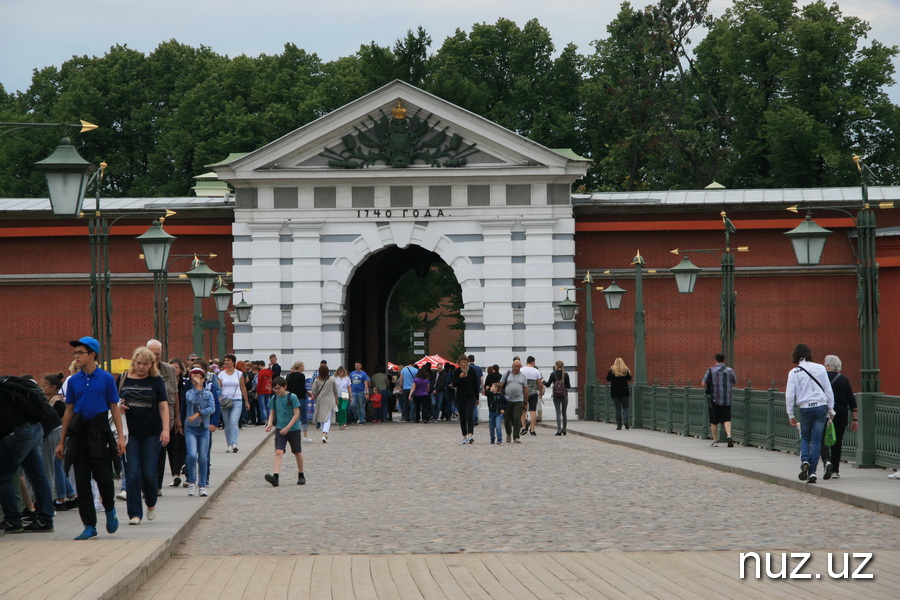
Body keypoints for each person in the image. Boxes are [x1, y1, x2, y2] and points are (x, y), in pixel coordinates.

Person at [56, 336, 126, 540]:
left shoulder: (106, 379)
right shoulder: (74, 380)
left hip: (100, 431)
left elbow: (114, 406)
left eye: (80, 353)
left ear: (92, 355)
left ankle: (110, 509)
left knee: (104, 477)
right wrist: (62, 441)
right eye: (75, 353)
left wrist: (120, 437)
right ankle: (89, 525)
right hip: (79, 433)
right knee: (82, 480)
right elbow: (69, 410)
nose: (76, 356)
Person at [118, 346, 170, 525]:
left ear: (151, 365)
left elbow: (163, 406)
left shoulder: (156, 381)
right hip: (129, 433)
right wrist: (118, 408)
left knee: (149, 473)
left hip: (151, 432)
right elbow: (113, 403)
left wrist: (166, 429)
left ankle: (151, 502)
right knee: (132, 474)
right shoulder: (124, 378)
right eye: (138, 363)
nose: (140, 367)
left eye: (145, 364)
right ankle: (134, 513)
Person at [0, 376, 55, 533]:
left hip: (16, 434)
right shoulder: (7, 385)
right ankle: (45, 519)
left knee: (2, 477)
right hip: (34, 428)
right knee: (37, 476)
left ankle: (12, 520)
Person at [785, 344, 835, 484]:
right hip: (821, 407)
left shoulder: (794, 372)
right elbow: (828, 390)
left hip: (805, 408)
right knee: (818, 439)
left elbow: (790, 395)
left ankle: (805, 461)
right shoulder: (820, 368)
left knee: (806, 437)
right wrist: (831, 409)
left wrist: (791, 414)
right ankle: (813, 472)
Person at [147, 339, 180, 494]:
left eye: (158, 354)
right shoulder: (138, 370)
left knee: (160, 452)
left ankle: (157, 486)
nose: (155, 357)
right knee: (146, 453)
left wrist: (178, 418)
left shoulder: (169, 370)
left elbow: (175, 395)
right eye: (152, 353)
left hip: (165, 418)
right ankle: (147, 483)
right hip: (145, 419)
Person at [40, 373, 76, 511]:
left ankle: (61, 498)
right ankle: (71, 494)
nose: (42, 388)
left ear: (54, 387)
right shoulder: (53, 399)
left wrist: (61, 427)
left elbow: (64, 415)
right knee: (57, 466)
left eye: (44, 386)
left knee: (56, 466)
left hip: (56, 434)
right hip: (58, 434)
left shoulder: (57, 401)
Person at [821, 355, 858, 480]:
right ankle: (835, 470)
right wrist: (855, 419)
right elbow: (852, 401)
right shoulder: (844, 380)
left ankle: (827, 462)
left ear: (827, 366)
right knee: (837, 442)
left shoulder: (822, 379)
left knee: (822, 440)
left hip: (824, 413)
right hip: (841, 414)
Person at [264, 376, 306, 486]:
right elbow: (272, 412)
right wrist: (269, 424)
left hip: (293, 429)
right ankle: (275, 477)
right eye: (275, 389)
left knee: (297, 452)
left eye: (278, 388)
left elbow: (297, 414)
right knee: (278, 451)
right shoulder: (275, 398)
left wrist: (288, 427)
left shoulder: (292, 397)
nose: (277, 391)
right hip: (280, 429)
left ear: (285, 387)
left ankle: (301, 474)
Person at [183, 366, 214, 497]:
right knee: (191, 455)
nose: (197, 379)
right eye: (194, 377)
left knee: (203, 457)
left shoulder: (208, 393)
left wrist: (200, 413)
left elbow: (211, 408)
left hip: (204, 428)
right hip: (190, 427)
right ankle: (191, 482)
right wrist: (197, 388)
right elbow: (191, 400)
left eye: (199, 377)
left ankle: (202, 485)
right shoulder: (189, 392)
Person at [702, 353, 736, 447]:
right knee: (727, 419)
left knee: (714, 420)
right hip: (727, 399)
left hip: (715, 399)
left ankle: (715, 440)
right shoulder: (730, 371)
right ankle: (729, 435)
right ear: (724, 360)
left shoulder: (711, 370)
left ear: (715, 360)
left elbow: (703, 384)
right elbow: (734, 381)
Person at [218, 354, 249, 453]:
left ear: (233, 362)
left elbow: (243, 388)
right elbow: (219, 388)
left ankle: (234, 443)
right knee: (227, 424)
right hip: (225, 401)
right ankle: (229, 444)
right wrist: (218, 399)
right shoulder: (221, 374)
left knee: (233, 421)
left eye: (228, 360)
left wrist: (246, 401)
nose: (226, 362)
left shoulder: (239, 374)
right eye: (225, 360)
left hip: (237, 400)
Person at [453, 355, 481, 444]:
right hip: (460, 396)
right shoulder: (457, 371)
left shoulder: (472, 371)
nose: (463, 364)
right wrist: (460, 377)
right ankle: (464, 436)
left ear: (467, 362)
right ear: (459, 363)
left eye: (465, 362)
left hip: (470, 396)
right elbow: (454, 384)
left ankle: (470, 435)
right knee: (463, 417)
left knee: (469, 415)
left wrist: (477, 397)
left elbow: (475, 384)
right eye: (462, 362)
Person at [499, 359, 528, 444]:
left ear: (520, 367)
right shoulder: (507, 374)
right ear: (512, 366)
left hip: (518, 400)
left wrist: (525, 402)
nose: (516, 368)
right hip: (507, 400)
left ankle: (516, 436)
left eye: (518, 366)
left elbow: (525, 389)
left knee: (516, 418)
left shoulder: (523, 376)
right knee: (507, 419)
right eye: (515, 366)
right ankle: (508, 433)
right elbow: (501, 385)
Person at [311, 365, 338, 443]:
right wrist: (336, 399)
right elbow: (335, 391)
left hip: (320, 400)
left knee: (322, 418)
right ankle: (324, 433)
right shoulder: (332, 379)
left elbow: (313, 390)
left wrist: (315, 396)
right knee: (327, 418)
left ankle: (325, 435)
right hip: (330, 400)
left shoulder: (317, 380)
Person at [286, 361, 311, 442]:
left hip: (291, 398)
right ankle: (305, 436)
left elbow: (288, 387)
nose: (304, 367)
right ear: (299, 367)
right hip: (300, 398)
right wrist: (308, 392)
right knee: (303, 417)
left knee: (293, 417)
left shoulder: (289, 376)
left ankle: (293, 436)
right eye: (303, 366)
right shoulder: (301, 376)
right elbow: (302, 388)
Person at [606, 358, 632, 432]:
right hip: (624, 392)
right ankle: (625, 420)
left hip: (615, 392)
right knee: (626, 407)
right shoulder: (625, 371)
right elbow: (629, 378)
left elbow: (607, 379)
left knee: (618, 409)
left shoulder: (612, 371)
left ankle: (619, 426)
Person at [520, 356, 543, 436]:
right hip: (533, 393)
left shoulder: (521, 370)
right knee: (533, 411)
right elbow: (540, 384)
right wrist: (541, 392)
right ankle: (532, 429)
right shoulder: (536, 371)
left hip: (523, 392)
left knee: (523, 410)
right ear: (533, 362)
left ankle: (523, 427)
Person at [547, 360, 572, 435]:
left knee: (558, 413)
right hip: (564, 395)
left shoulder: (553, 374)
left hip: (556, 396)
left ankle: (558, 430)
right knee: (564, 413)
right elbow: (568, 386)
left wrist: (542, 381)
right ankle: (564, 430)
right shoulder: (566, 375)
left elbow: (548, 384)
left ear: (556, 366)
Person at [485, 365, 506, 444]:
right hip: (493, 410)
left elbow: (486, 387)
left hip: (497, 412)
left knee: (496, 426)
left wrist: (487, 388)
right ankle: (493, 439)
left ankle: (499, 439)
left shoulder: (489, 376)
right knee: (493, 427)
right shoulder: (500, 376)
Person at [255, 360, 274, 427]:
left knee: (262, 406)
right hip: (268, 390)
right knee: (268, 405)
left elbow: (259, 383)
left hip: (262, 391)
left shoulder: (261, 372)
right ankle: (270, 419)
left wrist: (257, 392)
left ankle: (265, 420)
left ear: (260, 365)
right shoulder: (270, 371)